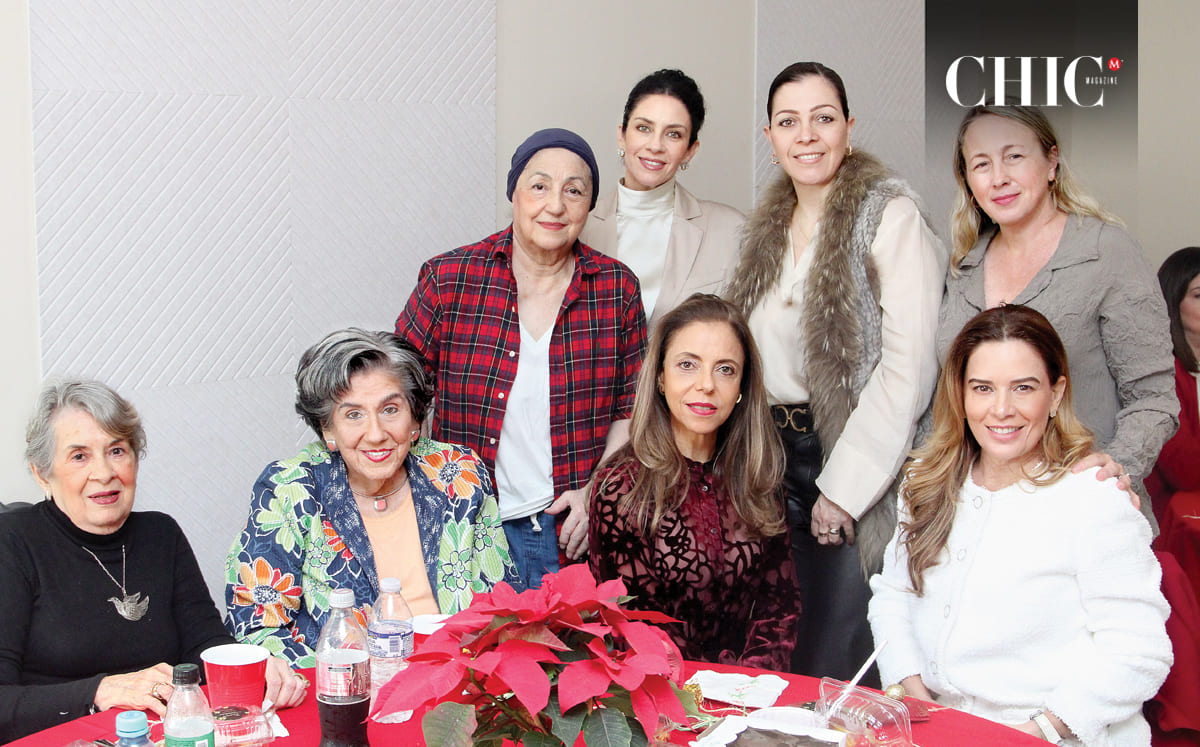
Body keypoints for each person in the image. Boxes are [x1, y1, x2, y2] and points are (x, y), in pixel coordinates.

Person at [724, 62, 945, 681]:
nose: (807, 136)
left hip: (853, 457)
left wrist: (843, 490)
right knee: (774, 651)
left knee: (834, 661)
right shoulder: (765, 228)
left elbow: (910, 368)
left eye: (823, 119)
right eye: (788, 122)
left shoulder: (889, 217)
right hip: (769, 462)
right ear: (769, 135)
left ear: (848, 126)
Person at [868, 305, 1172, 746]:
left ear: (1056, 394)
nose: (1002, 409)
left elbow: (1139, 652)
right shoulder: (924, 482)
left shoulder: (1093, 497)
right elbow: (894, 594)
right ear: (960, 394)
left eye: (1023, 388)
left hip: (1052, 735)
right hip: (939, 729)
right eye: (983, 388)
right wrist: (916, 699)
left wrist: (1033, 733)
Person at [396, 128, 646, 589]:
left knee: (578, 638)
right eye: (539, 185)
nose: (556, 205)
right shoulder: (450, 279)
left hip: (572, 533)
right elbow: (395, 395)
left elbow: (631, 412)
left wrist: (595, 493)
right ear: (514, 193)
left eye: (574, 190)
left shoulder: (617, 288)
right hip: (468, 531)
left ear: (589, 206)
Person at [0, 380, 305, 743]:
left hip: (165, 734)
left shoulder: (161, 534)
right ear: (42, 473)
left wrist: (251, 665)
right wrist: (99, 691)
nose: (104, 473)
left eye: (116, 450)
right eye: (79, 456)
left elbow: (205, 643)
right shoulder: (12, 542)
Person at [938, 105, 1178, 521]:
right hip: (978, 512)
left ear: (1051, 162)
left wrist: (1113, 469)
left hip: (1081, 512)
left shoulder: (1106, 251)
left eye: (1014, 156)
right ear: (968, 181)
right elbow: (944, 399)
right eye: (981, 164)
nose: (999, 178)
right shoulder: (963, 266)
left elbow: (1154, 398)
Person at [225, 329, 518, 666]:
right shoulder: (291, 489)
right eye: (353, 415)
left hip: (460, 677)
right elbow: (257, 626)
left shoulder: (459, 474)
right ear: (327, 428)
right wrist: (345, 681)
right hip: (344, 687)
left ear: (415, 417)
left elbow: (503, 604)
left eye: (390, 409)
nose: (376, 434)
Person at [589, 294, 800, 671]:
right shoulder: (620, 487)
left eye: (725, 369)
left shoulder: (759, 479)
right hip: (661, 691)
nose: (706, 385)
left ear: (742, 385)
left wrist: (748, 685)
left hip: (750, 691)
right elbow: (630, 627)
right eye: (687, 365)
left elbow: (779, 609)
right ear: (660, 377)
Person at [580, 69, 744, 325]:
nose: (655, 145)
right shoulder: (580, 227)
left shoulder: (731, 230)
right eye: (643, 128)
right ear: (622, 136)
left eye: (673, 134)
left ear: (690, 150)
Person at [1147, 247, 1200, 521]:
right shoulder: (1162, 373)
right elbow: (1186, 472)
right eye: (1199, 295)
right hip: (1173, 519)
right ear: (1172, 301)